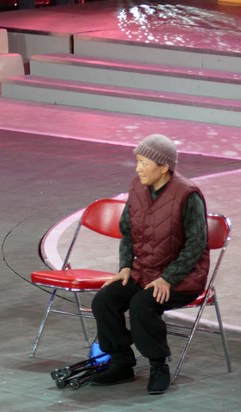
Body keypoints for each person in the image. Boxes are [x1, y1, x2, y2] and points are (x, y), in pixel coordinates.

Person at [90, 134, 209, 395]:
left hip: (182, 277)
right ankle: (122, 362)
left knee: (142, 304)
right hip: (143, 272)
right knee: (104, 300)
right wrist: (124, 267)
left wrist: (168, 278)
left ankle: (158, 366)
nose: (138, 168)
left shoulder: (187, 195)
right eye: (138, 162)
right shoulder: (137, 188)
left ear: (163, 167)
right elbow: (127, 232)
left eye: (144, 163)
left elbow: (196, 244)